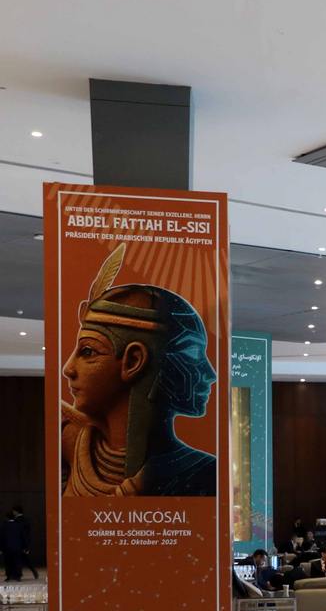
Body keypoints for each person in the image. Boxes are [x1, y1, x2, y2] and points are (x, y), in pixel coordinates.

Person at [60, 245, 217, 497]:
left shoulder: (205, 474)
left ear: (133, 361)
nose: (68, 369)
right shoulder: (69, 442)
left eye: (88, 351)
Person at [1, 507, 27, 582]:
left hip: (7, 547)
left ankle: (9, 576)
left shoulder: (4, 526)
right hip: (17, 547)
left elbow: (2, 537)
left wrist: (1, 548)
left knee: (8, 562)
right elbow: (23, 537)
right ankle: (18, 576)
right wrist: (25, 547)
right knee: (17, 562)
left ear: (6, 517)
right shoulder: (19, 525)